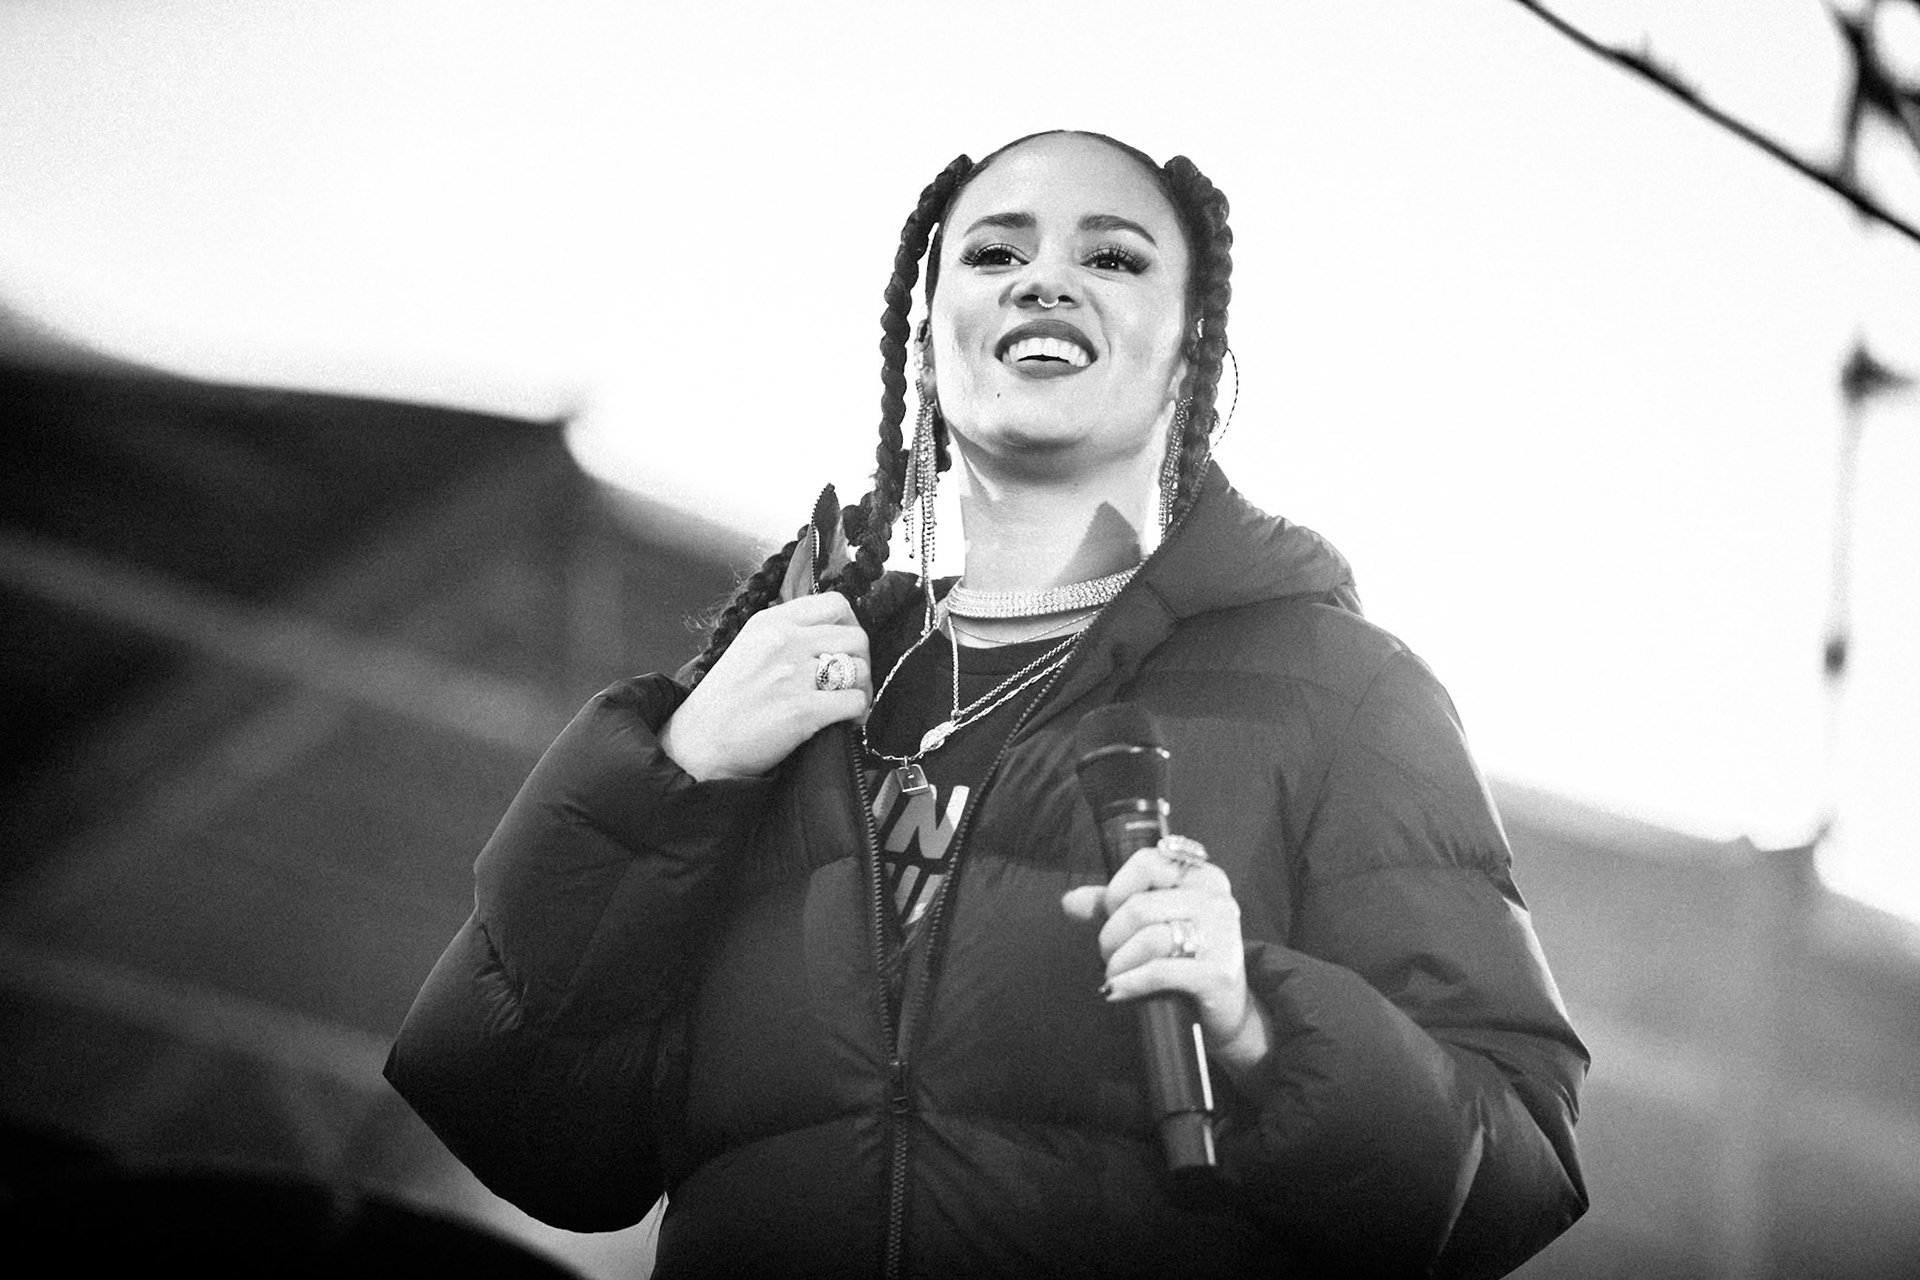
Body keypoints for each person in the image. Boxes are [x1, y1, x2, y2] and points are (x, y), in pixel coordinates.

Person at [386, 130, 1589, 1278]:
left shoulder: (1340, 687)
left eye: (1112, 257)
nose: (1045, 282)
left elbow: (1515, 1165)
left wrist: (1259, 1023)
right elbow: (518, 1115)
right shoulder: (785, 679)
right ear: (926, 341)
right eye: (996, 253)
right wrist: (678, 768)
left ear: (1195, 352)